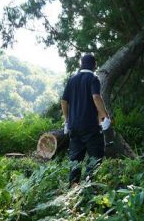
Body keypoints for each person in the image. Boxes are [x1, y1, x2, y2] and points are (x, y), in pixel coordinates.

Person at [61, 54, 111, 187]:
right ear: (94, 65)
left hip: (74, 127)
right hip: (90, 127)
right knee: (95, 157)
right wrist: (105, 117)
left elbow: (64, 101)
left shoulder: (72, 80)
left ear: (81, 64)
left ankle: (73, 190)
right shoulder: (93, 78)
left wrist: (67, 120)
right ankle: (89, 188)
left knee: (75, 160)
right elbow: (96, 97)